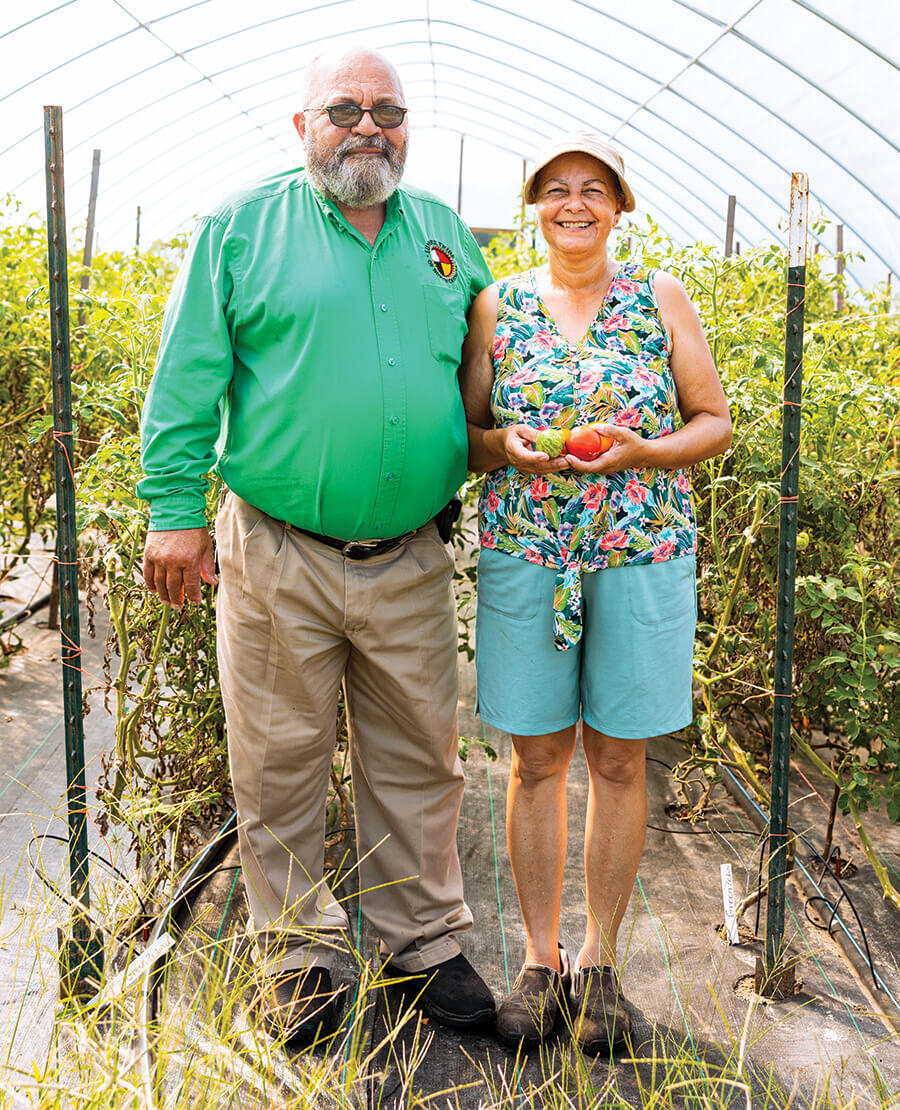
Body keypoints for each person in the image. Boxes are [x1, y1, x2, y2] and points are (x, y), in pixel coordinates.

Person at [138, 47, 497, 1044]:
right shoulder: (242, 228)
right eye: (343, 108)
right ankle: (297, 951)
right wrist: (172, 510)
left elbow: (488, 369)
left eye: (388, 109)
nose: (368, 125)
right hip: (278, 552)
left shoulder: (443, 238)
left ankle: (420, 938)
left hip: (411, 554)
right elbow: (185, 380)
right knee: (280, 758)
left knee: (420, 755)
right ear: (303, 126)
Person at [460, 131, 731, 1053]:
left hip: (641, 552)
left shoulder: (656, 298)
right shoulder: (497, 306)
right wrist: (509, 448)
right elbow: (467, 434)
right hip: (530, 555)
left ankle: (601, 965)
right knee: (536, 760)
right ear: (533, 206)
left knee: (619, 758)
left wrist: (642, 450)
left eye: (593, 189)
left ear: (620, 205)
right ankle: (540, 963)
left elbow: (714, 420)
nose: (574, 204)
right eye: (555, 190)